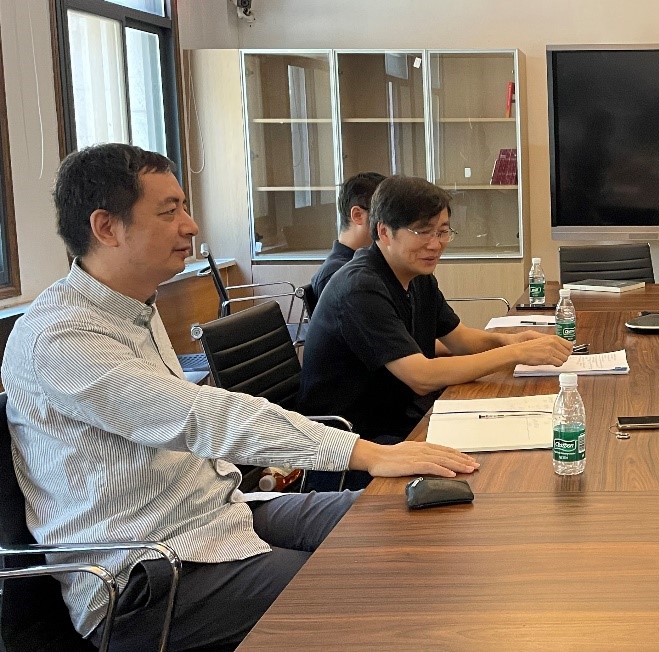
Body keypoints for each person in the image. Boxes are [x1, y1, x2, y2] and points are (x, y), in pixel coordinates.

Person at [1, 143, 479, 651]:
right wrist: (368, 453)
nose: (190, 226)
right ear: (106, 227)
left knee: (406, 522)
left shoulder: (134, 308)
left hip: (222, 513)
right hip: (148, 572)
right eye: (169, 211)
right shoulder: (60, 337)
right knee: (366, 589)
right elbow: (201, 415)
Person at [298, 175, 572, 448]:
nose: (435, 244)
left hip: (405, 418)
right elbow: (422, 376)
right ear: (384, 232)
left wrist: (509, 340)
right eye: (423, 232)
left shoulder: (418, 276)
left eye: (442, 232)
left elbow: (461, 340)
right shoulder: (360, 287)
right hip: (357, 442)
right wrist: (516, 353)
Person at [310, 171, 385, 303]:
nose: (395, 225)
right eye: (385, 215)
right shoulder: (337, 273)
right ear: (358, 215)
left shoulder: (367, 263)